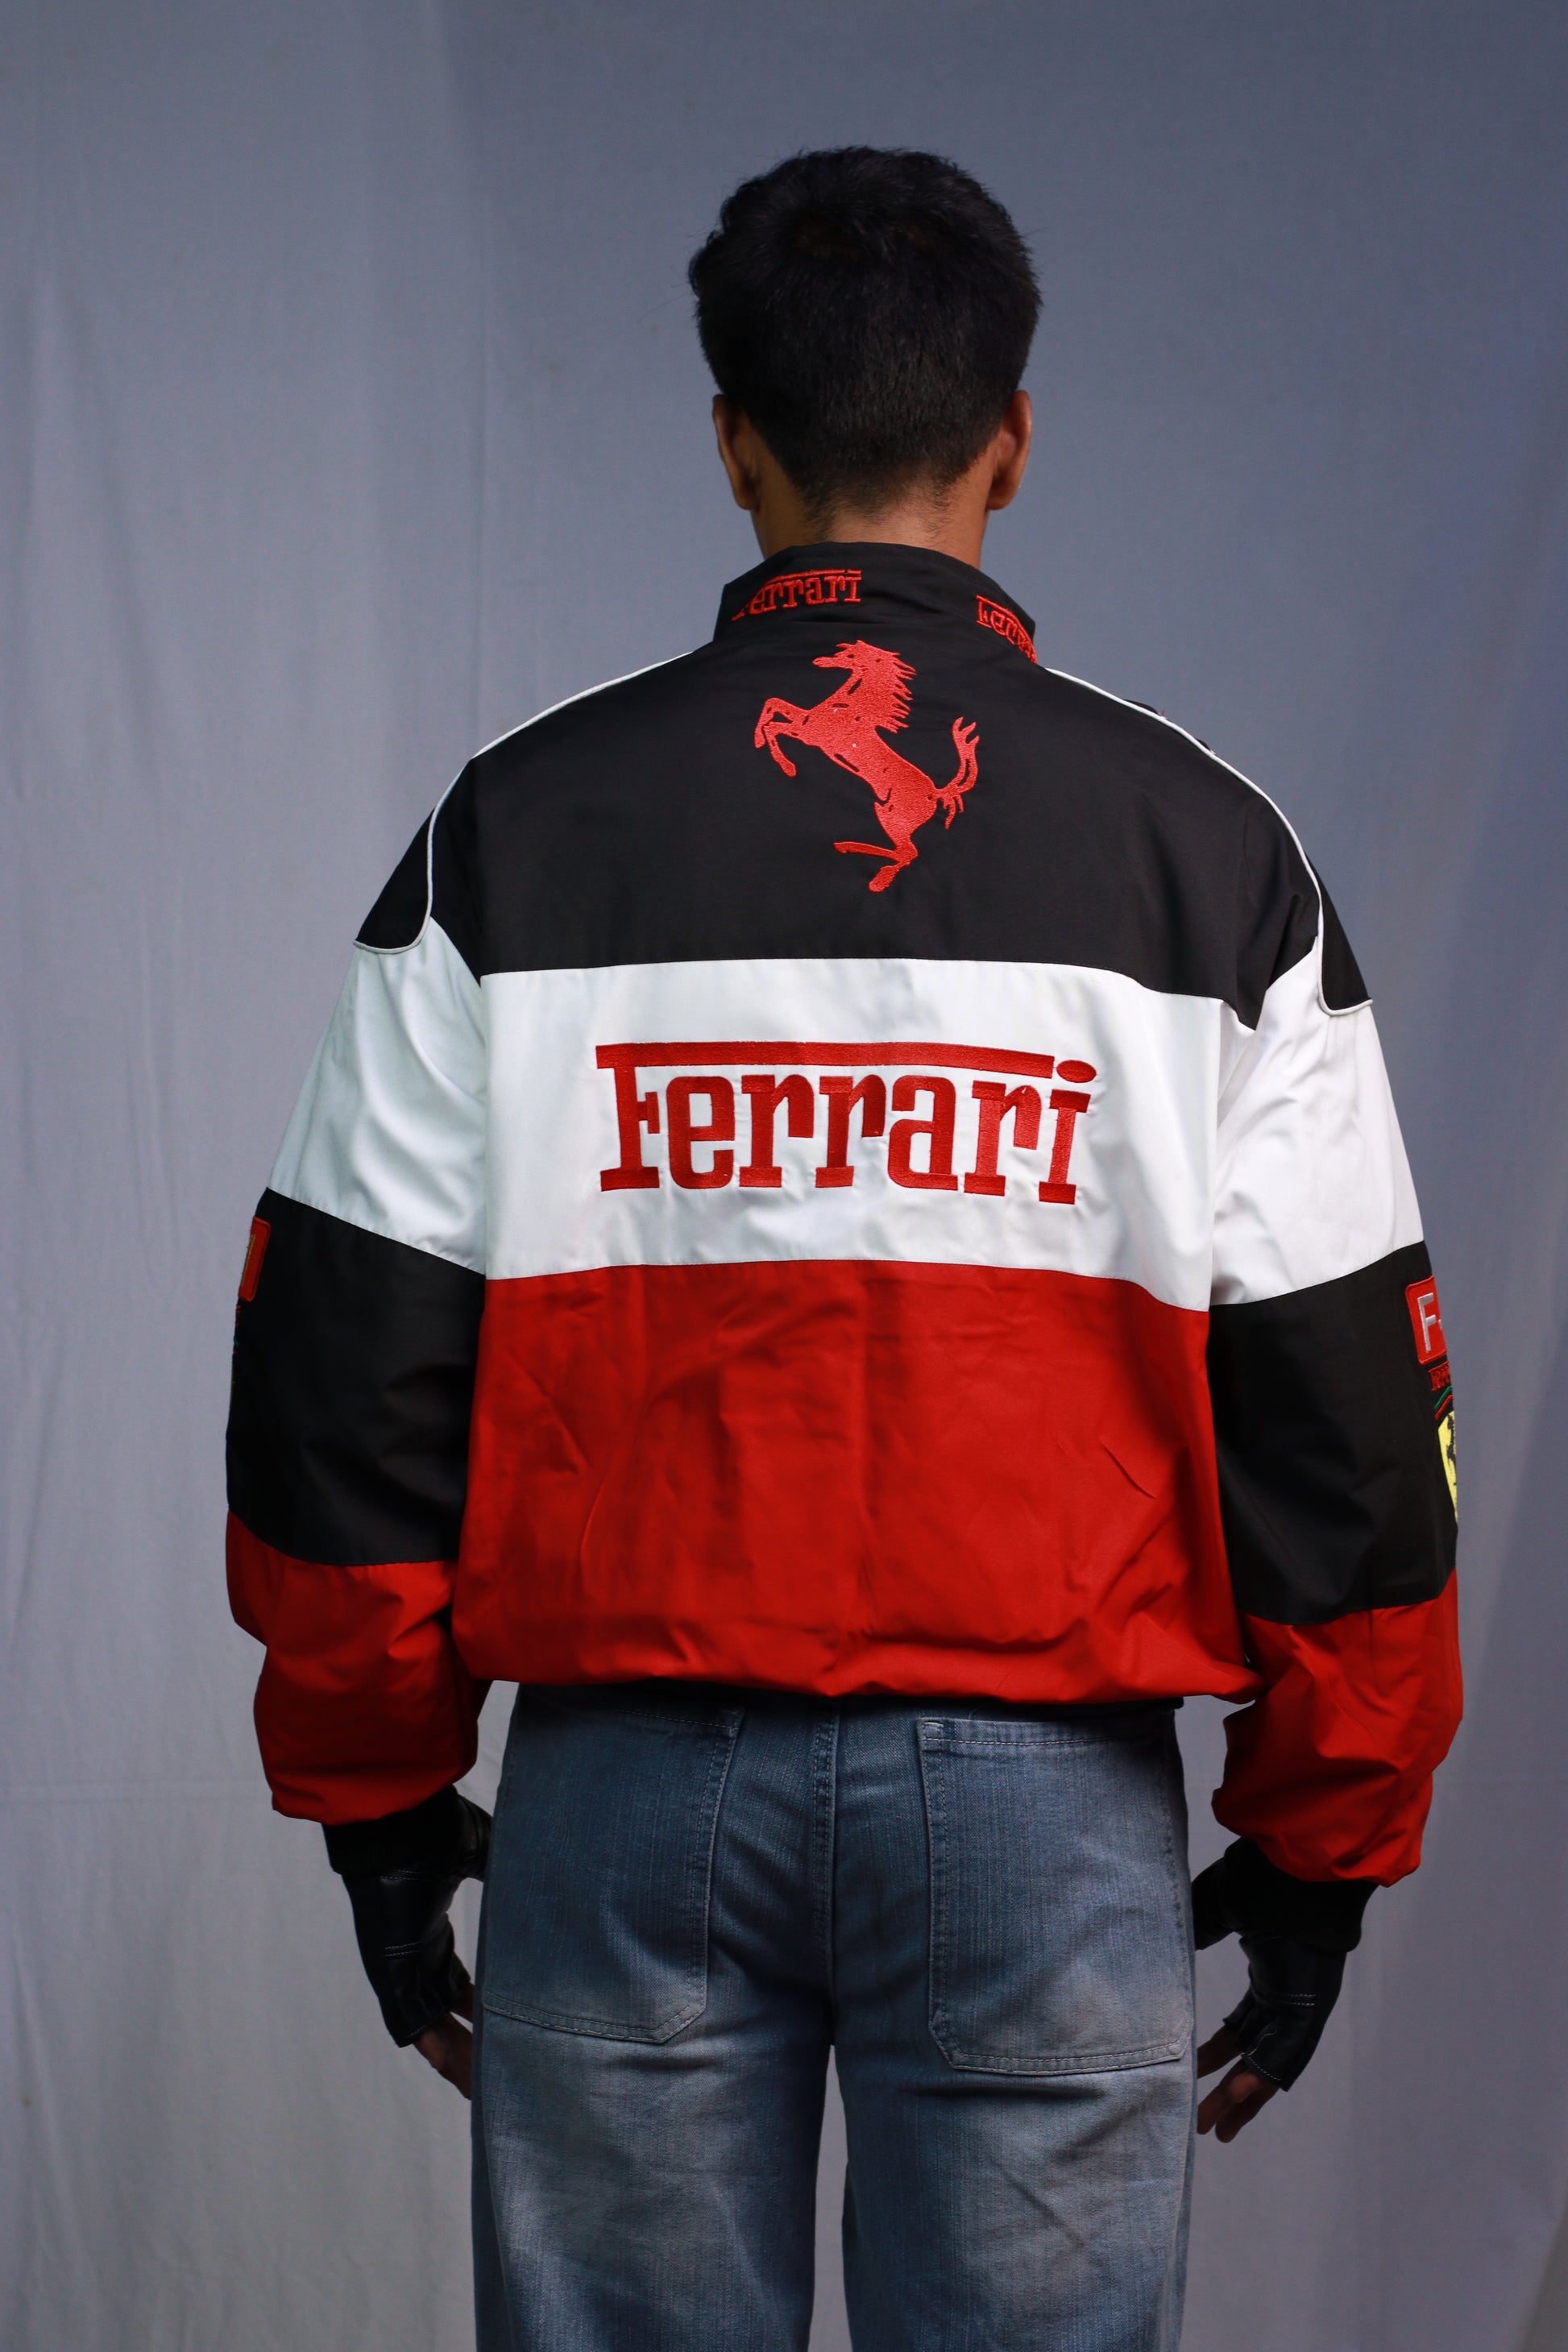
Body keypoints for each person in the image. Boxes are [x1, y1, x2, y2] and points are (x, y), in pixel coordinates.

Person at [226, 147, 1462, 2350]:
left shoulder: (512, 833)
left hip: (622, 1798)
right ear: (1013, 439)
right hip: (1044, 1816)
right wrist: (1321, 1843)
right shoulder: (1212, 856)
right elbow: (1345, 1406)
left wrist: (380, 1803)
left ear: (731, 443)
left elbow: (344, 1371)